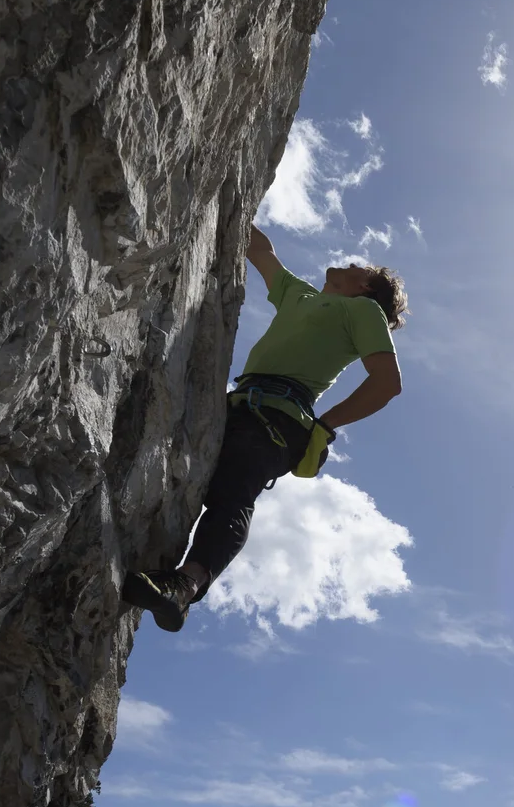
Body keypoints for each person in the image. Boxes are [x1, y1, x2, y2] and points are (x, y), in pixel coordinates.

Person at [122, 225, 407, 631]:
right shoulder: (301, 294)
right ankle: (162, 573)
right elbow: (260, 249)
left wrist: (325, 424)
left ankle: (185, 586)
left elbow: (387, 382)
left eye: (360, 268)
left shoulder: (363, 310)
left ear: (365, 287)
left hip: (281, 418)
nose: (350, 263)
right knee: (191, 478)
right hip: (233, 405)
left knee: (234, 491)